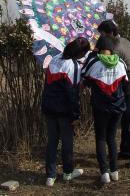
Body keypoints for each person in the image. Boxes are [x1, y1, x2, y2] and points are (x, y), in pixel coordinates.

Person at [97, 20, 130, 168]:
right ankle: (126, 151)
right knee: (125, 119)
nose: (101, 37)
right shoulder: (124, 40)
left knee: (129, 122)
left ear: (110, 33)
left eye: (102, 34)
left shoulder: (115, 47)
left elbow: (104, 64)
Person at [41, 37, 90, 187]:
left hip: (49, 106)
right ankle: (68, 173)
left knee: (52, 142)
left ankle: (50, 175)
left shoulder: (55, 59)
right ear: (80, 53)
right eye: (85, 53)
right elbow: (72, 94)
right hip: (64, 111)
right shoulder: (73, 66)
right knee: (67, 142)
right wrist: (75, 115)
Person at [82, 36, 128, 183]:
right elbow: (125, 83)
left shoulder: (94, 62)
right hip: (118, 106)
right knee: (112, 138)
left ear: (98, 48)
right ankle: (114, 171)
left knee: (101, 138)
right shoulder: (121, 63)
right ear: (112, 48)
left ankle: (104, 173)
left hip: (100, 107)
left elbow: (85, 79)